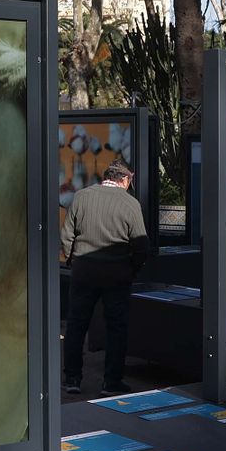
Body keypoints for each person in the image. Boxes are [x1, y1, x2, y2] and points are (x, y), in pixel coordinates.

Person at [60, 160, 149, 396]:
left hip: (84, 271)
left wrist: (72, 260)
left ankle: (72, 379)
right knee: (116, 328)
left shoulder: (81, 197)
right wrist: (132, 268)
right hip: (117, 274)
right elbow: (141, 245)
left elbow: (67, 234)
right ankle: (111, 382)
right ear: (126, 179)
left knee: (77, 325)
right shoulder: (131, 204)